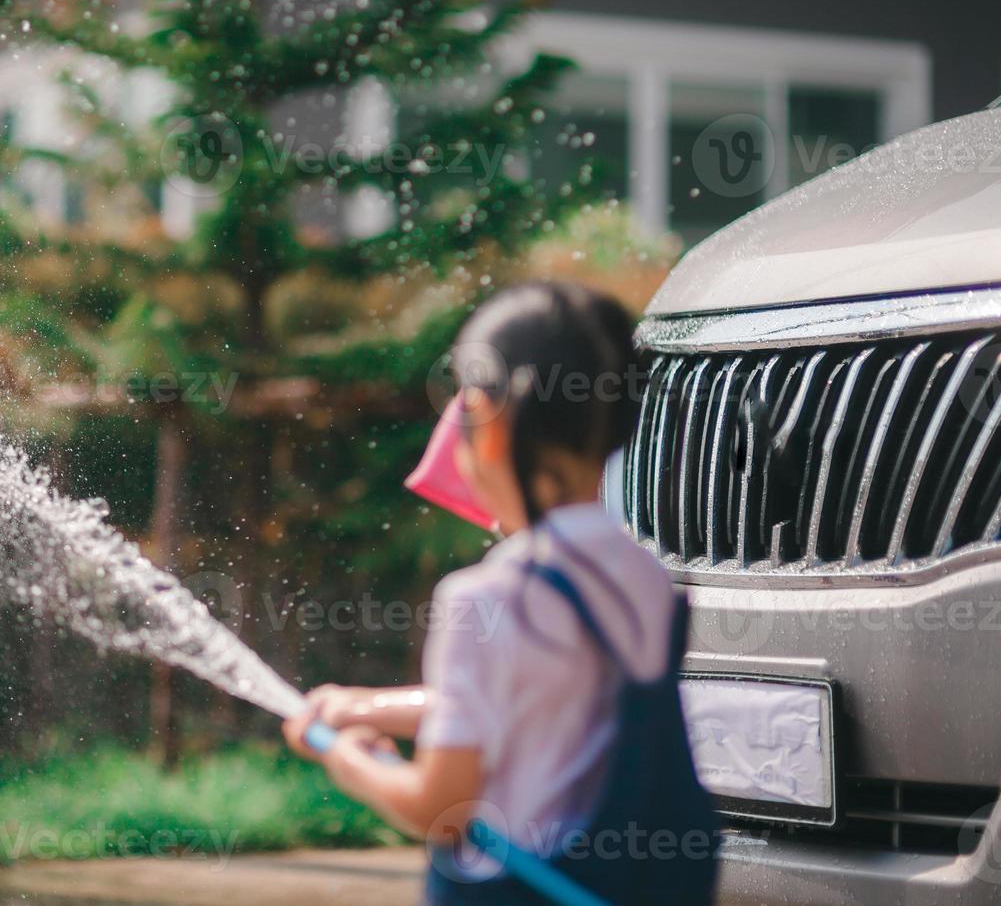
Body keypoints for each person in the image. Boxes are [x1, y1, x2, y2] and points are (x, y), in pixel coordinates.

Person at [284, 280, 719, 905]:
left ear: (491, 427)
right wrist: (366, 706)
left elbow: (443, 806)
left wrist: (350, 760)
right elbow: (538, 696)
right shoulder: (643, 575)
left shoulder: (486, 597)